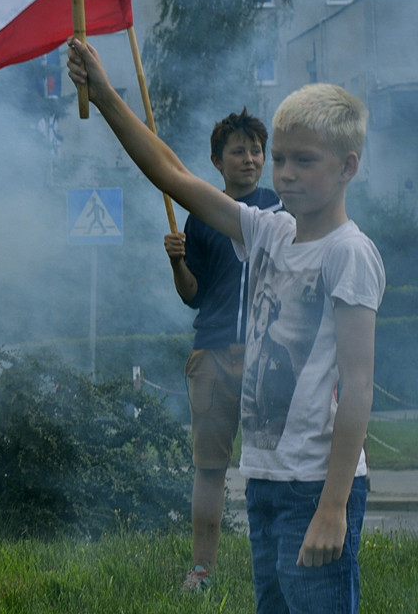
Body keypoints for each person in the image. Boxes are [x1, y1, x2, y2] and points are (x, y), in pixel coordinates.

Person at [66, 37, 385, 614]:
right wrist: (106, 94)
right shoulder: (265, 230)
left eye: (302, 160)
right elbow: (171, 174)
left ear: (347, 167)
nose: (283, 173)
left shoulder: (349, 253)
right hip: (264, 482)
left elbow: (359, 387)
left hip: (315, 488)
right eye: (280, 158)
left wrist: (334, 505)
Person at [164, 109, 281, 591]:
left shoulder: (279, 210)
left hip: (271, 357)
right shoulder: (202, 214)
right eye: (238, 151)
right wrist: (176, 262)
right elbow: (193, 293)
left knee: (273, 467)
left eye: (256, 150)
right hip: (212, 354)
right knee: (210, 469)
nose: (249, 159)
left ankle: (275, 562)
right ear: (217, 161)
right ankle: (202, 568)